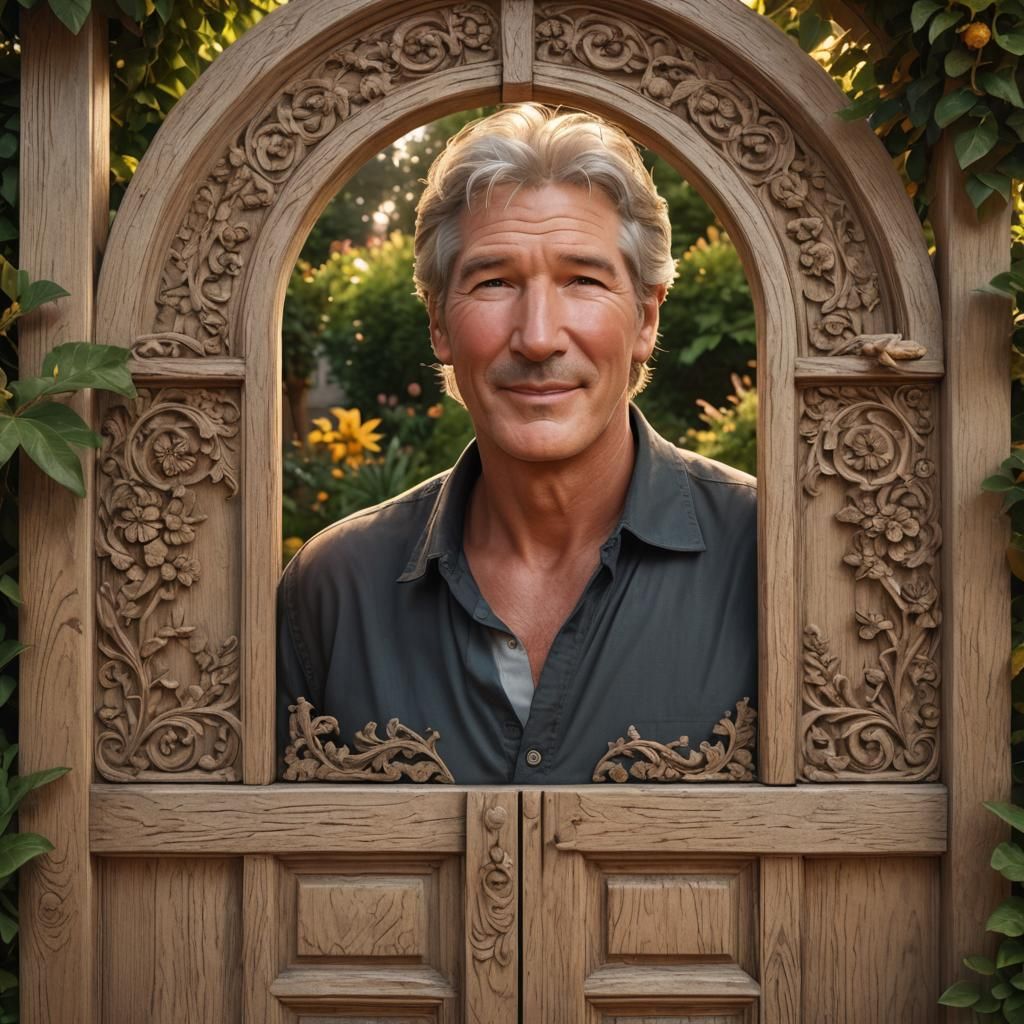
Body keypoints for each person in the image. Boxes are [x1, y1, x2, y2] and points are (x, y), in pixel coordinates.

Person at [276, 104, 756, 784]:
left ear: (646, 319)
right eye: (494, 281)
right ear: (439, 323)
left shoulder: (768, 559)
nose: (537, 337)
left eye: (583, 281)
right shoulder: (334, 590)